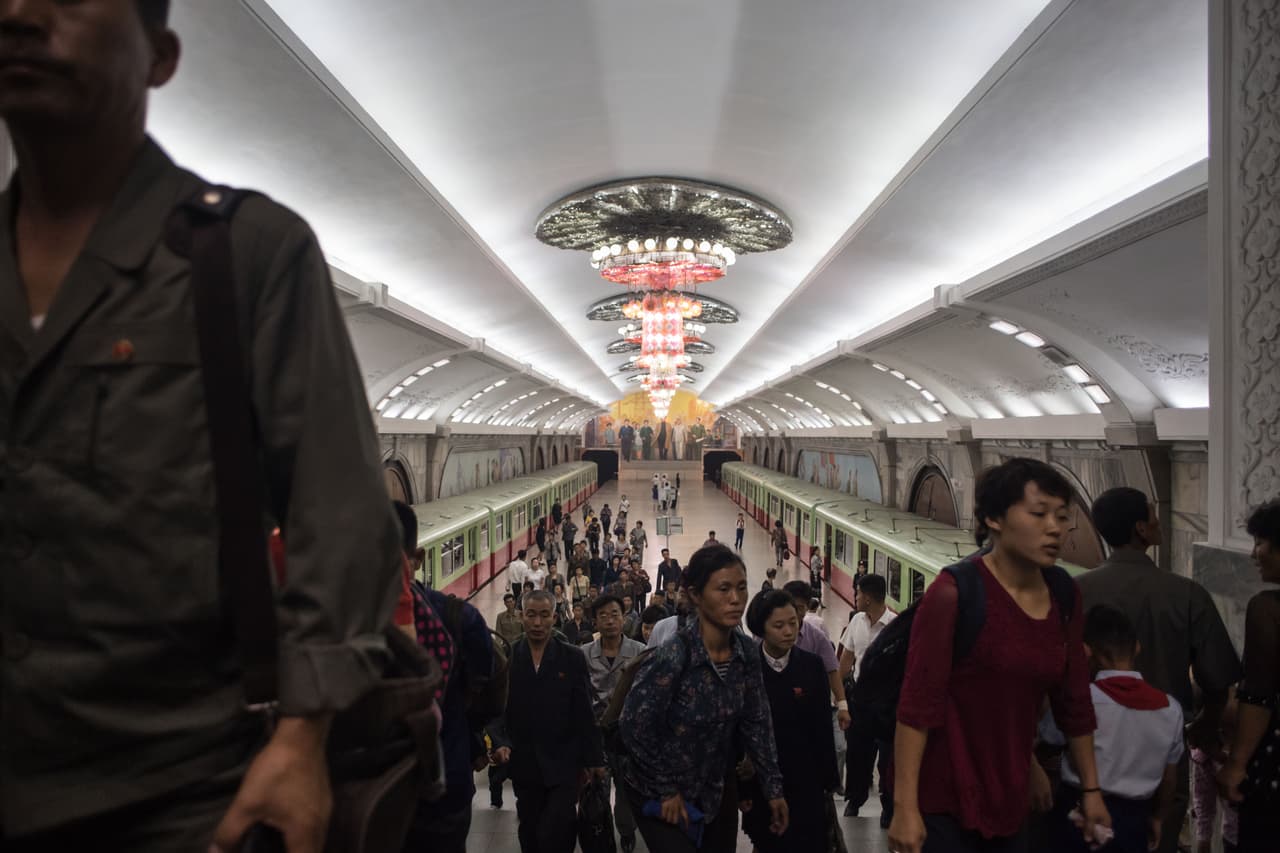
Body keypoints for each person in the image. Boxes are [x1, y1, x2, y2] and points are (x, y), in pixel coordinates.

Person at [0, 3, 403, 848]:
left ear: (161, 57)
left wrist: (303, 736)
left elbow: (343, 512)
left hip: (188, 794)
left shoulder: (242, 255)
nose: (20, 15)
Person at [889, 457, 1109, 853]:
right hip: (943, 796)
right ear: (994, 518)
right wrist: (906, 809)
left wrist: (1090, 789)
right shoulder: (954, 594)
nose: (1055, 528)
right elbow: (916, 708)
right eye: (1039, 514)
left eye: (1062, 516)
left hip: (1010, 791)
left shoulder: (1062, 595)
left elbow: (1073, 701)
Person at [1080, 487, 1242, 853]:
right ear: (1141, 529)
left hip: (1088, 748)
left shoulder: (1076, 592)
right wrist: (1204, 723)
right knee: (1157, 837)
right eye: (1153, 515)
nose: (1158, 521)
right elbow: (1217, 681)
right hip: (1160, 757)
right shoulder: (1186, 594)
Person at [620, 546, 789, 852]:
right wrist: (666, 789)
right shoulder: (675, 655)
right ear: (696, 595)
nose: (736, 598)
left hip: (713, 785)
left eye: (741, 587)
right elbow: (634, 725)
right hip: (656, 787)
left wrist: (773, 789)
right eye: (723, 589)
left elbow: (757, 722)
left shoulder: (746, 653)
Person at [1039, 605, 1184, 853]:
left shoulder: (1079, 700)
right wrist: (1158, 817)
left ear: (1085, 652)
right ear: (1137, 647)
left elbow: (1045, 743)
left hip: (1077, 817)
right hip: (1134, 823)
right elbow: (1170, 779)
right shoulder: (1171, 709)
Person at [396, 503, 497, 853]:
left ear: (417, 559)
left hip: (382, 795)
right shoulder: (459, 620)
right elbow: (486, 689)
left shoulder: (334, 630)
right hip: (443, 783)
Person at [488, 590, 606, 853]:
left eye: (544, 615)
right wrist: (500, 742)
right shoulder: (509, 658)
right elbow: (498, 710)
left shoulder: (572, 657)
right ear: (521, 616)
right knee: (529, 828)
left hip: (564, 762)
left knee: (560, 827)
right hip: (524, 763)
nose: (538, 623)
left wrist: (595, 759)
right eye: (531, 615)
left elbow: (584, 712)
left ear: (554, 617)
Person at [741, 590, 840, 853]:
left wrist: (829, 780)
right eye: (779, 625)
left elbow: (822, 725)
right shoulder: (747, 668)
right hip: (762, 783)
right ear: (761, 628)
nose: (789, 631)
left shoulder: (812, 665)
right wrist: (743, 790)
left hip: (806, 779)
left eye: (793, 623)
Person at [1218, 499, 1280, 852]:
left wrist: (1236, 764)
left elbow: (1259, 694)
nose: (1255, 553)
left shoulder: (1268, 610)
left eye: (1260, 542)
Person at [585, 596, 647, 853]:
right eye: (603, 615)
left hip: (627, 737)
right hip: (596, 735)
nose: (610, 620)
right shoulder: (583, 654)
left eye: (615, 614)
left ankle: (626, 830)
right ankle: (601, 831)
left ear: (624, 618)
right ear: (595, 621)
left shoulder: (639, 651)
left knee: (626, 789)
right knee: (597, 788)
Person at [839, 574, 897, 819]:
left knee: (887, 759)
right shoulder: (856, 623)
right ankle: (855, 799)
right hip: (861, 701)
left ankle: (889, 806)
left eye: (859, 593)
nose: (856, 597)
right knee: (857, 754)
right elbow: (846, 661)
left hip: (887, 704)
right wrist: (839, 697)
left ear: (869, 598)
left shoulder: (895, 626)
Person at [783, 581, 851, 731]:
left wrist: (842, 705)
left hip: (807, 706)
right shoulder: (765, 635)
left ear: (807, 607)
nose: (794, 613)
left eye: (799, 608)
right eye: (791, 607)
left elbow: (832, 671)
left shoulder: (817, 637)